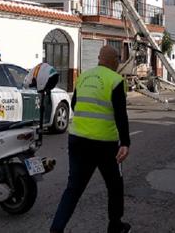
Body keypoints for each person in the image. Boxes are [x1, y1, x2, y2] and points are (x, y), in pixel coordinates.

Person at [50, 45, 131, 233]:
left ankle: (56, 228)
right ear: (113, 61)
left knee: (73, 189)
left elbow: (75, 104)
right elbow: (121, 115)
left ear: (99, 58)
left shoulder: (84, 77)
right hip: (105, 145)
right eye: (117, 59)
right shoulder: (116, 80)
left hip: (77, 140)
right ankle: (115, 226)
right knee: (114, 185)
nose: (118, 63)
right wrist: (125, 143)